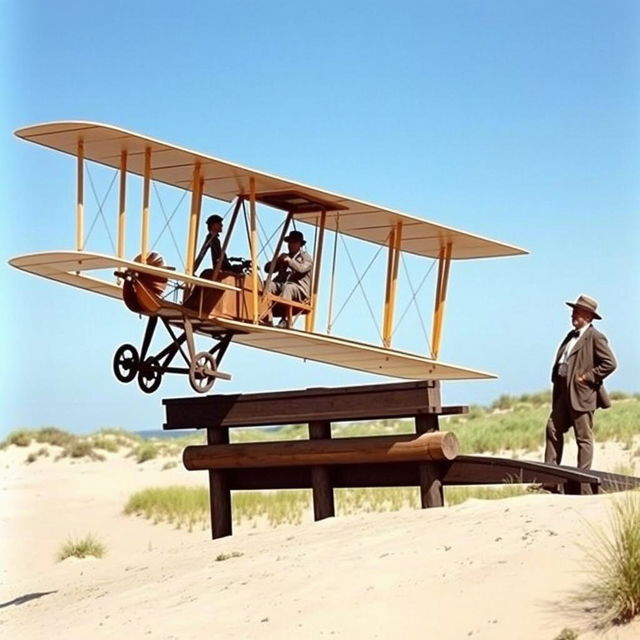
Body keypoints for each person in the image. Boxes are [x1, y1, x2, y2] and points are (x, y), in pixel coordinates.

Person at [544, 295, 617, 481]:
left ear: (589, 316)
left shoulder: (595, 337)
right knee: (552, 428)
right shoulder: (570, 336)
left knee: (583, 438)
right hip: (564, 392)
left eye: (577, 312)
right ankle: (549, 477)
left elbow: (610, 363)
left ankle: (583, 481)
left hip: (582, 394)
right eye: (573, 311)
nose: (573, 315)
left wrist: (587, 377)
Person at [264, 230, 313, 325]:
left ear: (299, 244)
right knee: (267, 284)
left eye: (294, 242)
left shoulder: (306, 258)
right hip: (282, 285)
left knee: (288, 288)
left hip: (300, 289)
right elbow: (267, 269)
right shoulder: (284, 256)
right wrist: (277, 260)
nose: (291, 245)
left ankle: (284, 319)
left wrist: (290, 261)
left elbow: (301, 269)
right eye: (290, 242)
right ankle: (267, 316)